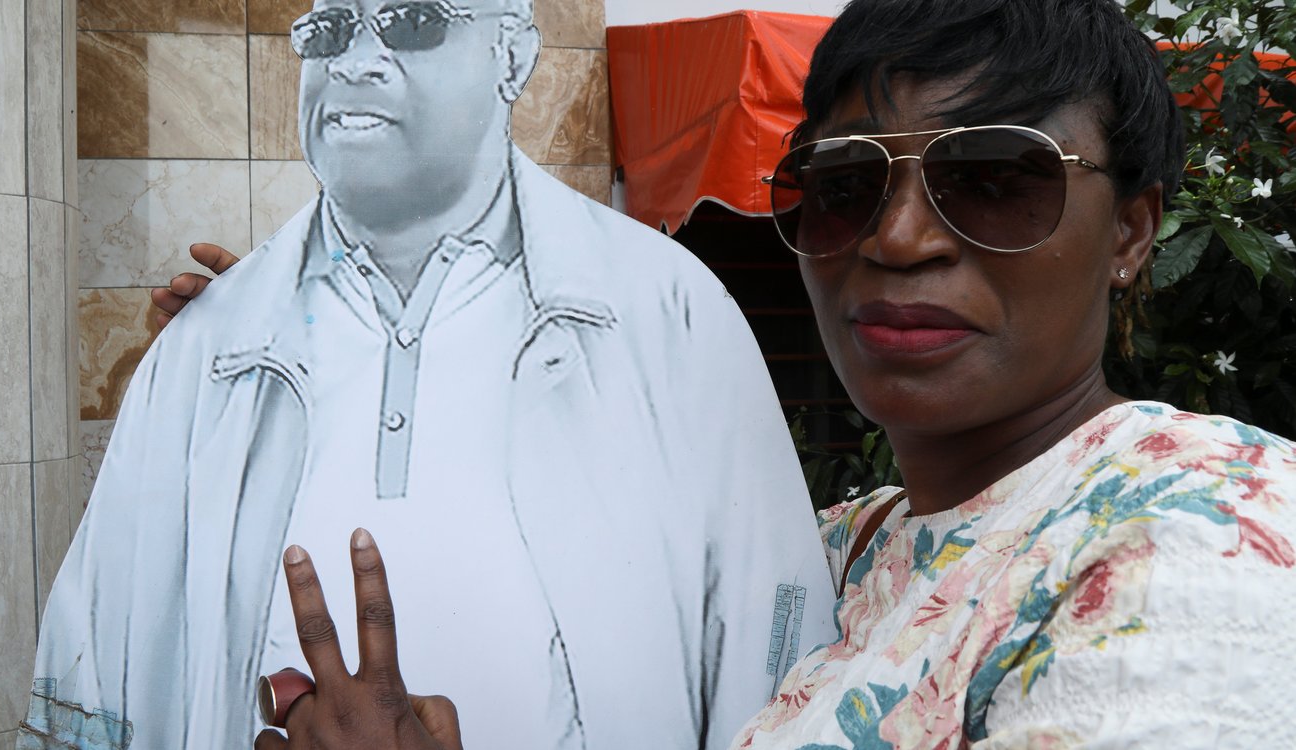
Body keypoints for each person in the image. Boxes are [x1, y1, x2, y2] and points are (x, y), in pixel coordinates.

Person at [254, 0, 1296, 747]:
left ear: (1131, 232)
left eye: (989, 179)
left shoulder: (1200, 534)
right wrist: (280, 335)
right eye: (842, 184)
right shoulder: (833, 550)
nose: (895, 240)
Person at [20, 0, 835, 748]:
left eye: (410, 21)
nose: (353, 63)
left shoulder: (673, 313)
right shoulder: (209, 348)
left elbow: (782, 680)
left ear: (512, 56)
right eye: (331, 31)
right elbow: (94, 665)